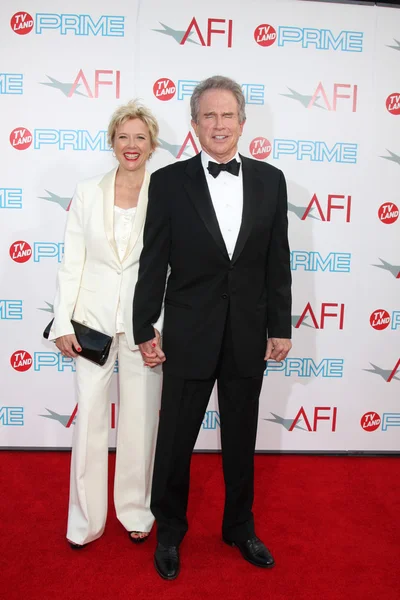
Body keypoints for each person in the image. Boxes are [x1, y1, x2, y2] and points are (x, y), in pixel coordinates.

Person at [133, 75, 292, 579]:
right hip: (188, 331)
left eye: (228, 115)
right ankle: (170, 531)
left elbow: (276, 261)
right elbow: (153, 260)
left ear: (242, 123)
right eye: (209, 116)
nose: (219, 124)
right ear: (195, 125)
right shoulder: (168, 181)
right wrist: (143, 325)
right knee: (176, 441)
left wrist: (280, 324)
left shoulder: (271, 180)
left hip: (247, 332)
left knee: (241, 439)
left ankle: (239, 527)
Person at [48, 100, 163, 548]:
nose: (131, 145)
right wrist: (62, 321)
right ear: (112, 142)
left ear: (152, 144)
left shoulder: (168, 192)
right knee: (90, 420)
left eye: (139, 137)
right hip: (90, 324)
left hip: (145, 325)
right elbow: (71, 259)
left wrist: (160, 325)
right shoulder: (87, 191)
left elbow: (172, 267)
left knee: (139, 421)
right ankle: (85, 521)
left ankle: (136, 509)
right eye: (123, 137)